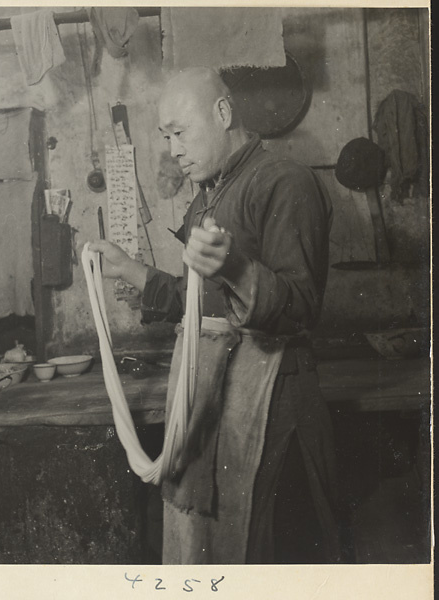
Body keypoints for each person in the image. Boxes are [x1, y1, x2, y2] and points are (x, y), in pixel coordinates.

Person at [89, 67, 340, 564]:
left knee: (268, 553)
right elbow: (197, 299)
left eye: (180, 132)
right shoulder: (210, 195)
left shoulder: (284, 182)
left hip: (274, 405)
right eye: (165, 136)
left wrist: (235, 265)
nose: (173, 149)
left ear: (223, 113)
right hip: (217, 399)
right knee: (211, 550)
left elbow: (301, 306)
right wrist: (133, 271)